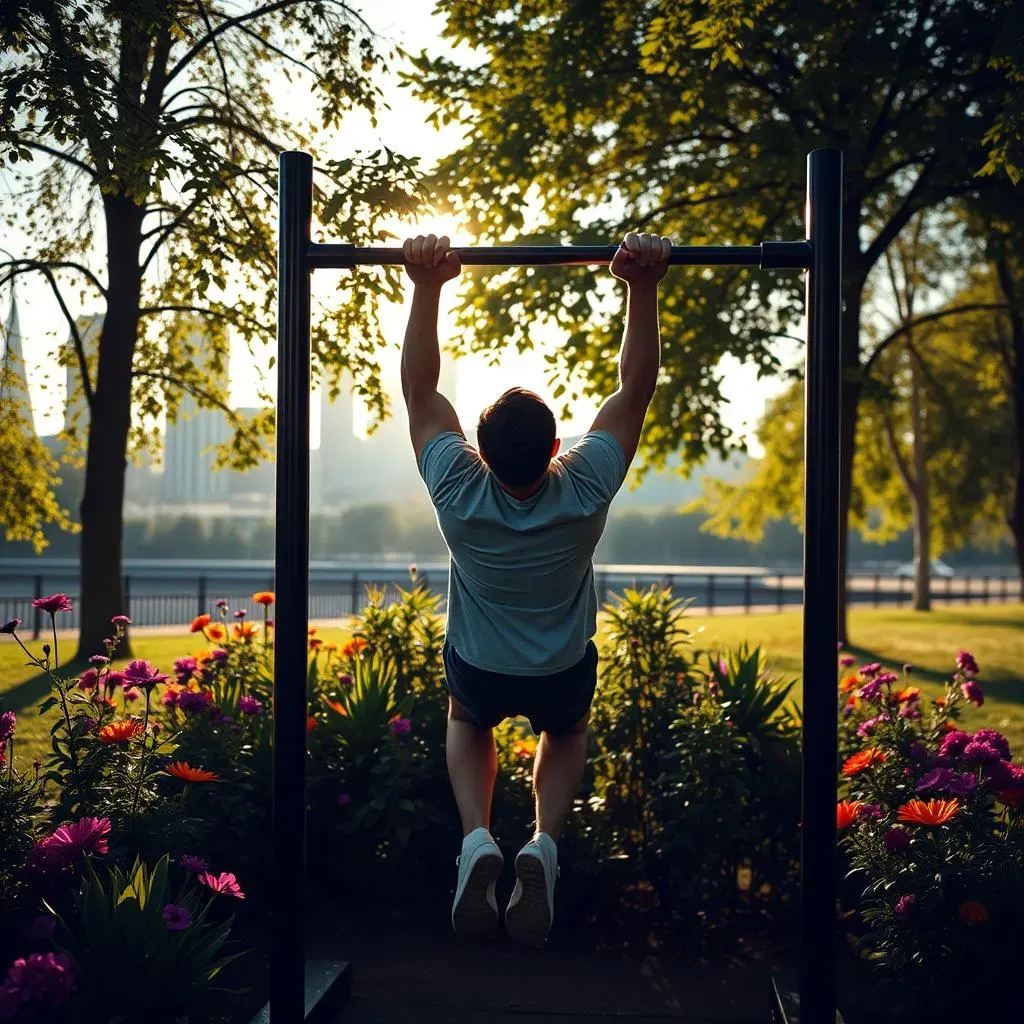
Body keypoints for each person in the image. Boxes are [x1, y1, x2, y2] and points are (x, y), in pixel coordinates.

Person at [400, 230, 671, 946]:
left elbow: (419, 389)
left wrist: (428, 286)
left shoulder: (457, 487)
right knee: (567, 729)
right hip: (559, 670)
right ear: (557, 447)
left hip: (482, 668)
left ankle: (477, 839)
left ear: (479, 452)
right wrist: (641, 289)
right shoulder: (585, 483)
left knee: (467, 719)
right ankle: (545, 844)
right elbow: (634, 388)